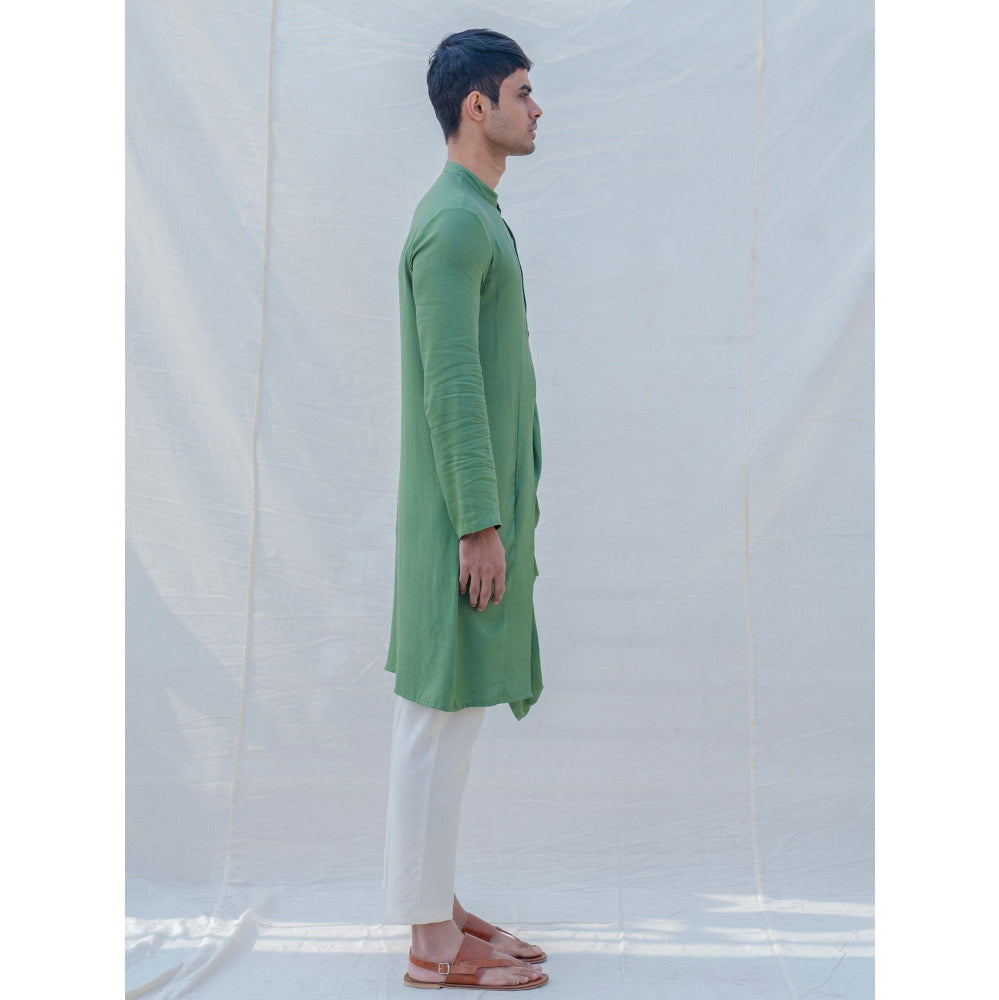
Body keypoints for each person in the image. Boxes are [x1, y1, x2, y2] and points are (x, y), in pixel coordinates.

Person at [383, 28, 549, 992]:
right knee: (433, 722)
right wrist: (478, 523)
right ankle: (429, 943)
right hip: (458, 520)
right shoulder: (452, 223)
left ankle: (436, 905)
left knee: (451, 723)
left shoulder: (473, 214)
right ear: (476, 106)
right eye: (522, 92)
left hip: (470, 515)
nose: (537, 108)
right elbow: (451, 386)